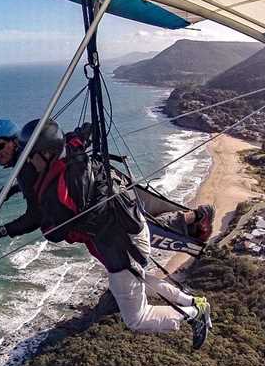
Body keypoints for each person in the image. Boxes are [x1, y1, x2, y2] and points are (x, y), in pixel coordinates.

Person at [12, 119, 212, 348]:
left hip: (123, 248)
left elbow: (53, 232)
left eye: (32, 155)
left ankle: (193, 314)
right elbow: (76, 140)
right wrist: (79, 137)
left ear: (47, 153)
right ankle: (194, 301)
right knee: (141, 279)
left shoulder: (65, 187)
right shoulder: (72, 155)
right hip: (133, 231)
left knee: (137, 318)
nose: (29, 160)